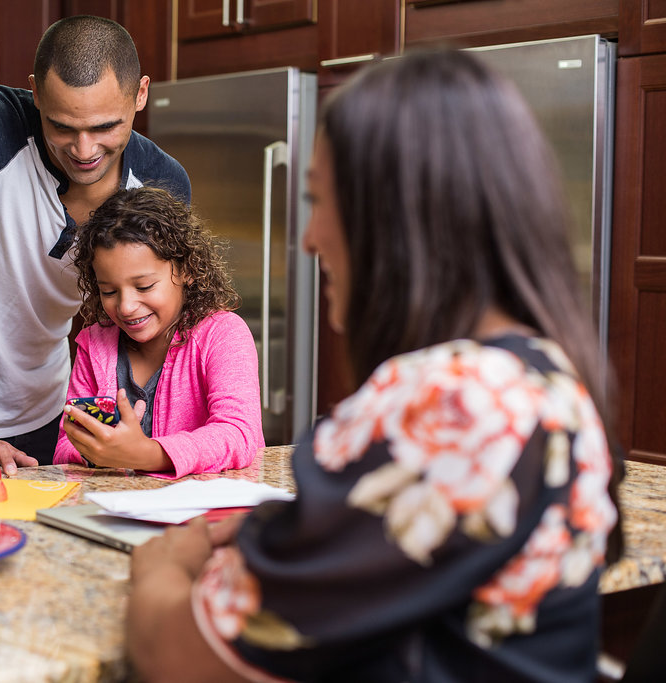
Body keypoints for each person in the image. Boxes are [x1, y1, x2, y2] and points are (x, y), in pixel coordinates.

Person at [126, 48, 624, 682]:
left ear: (391, 215)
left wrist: (169, 560)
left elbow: (179, 657)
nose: (308, 239)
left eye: (318, 202)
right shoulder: (546, 375)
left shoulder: (454, 400)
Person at [0, 16, 190, 474]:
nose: (84, 150)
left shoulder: (162, 184)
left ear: (140, 94)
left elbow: (144, 322)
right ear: (35, 93)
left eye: (106, 126)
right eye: (61, 126)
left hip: (49, 406)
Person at [54, 186, 264, 477]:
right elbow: (66, 444)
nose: (126, 306)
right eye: (109, 291)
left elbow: (239, 434)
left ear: (187, 269)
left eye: (144, 287)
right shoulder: (94, 344)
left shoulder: (223, 335)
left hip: (199, 516)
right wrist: (101, 452)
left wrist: (147, 454)